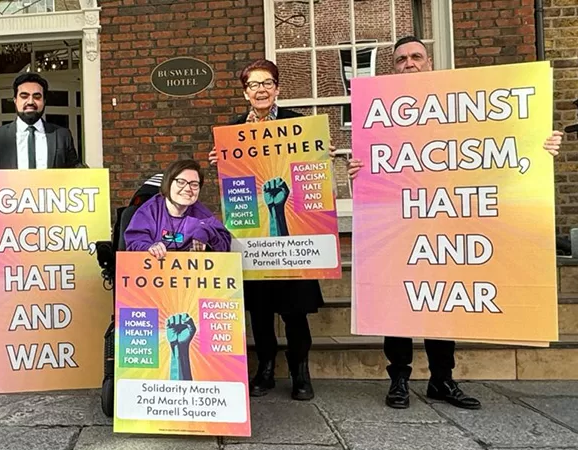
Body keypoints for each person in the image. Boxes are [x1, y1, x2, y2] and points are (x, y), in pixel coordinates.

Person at [347, 36, 564, 410]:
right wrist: (357, 172)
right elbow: (375, 171)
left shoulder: (456, 105)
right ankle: (398, 379)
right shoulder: (378, 114)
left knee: (442, 302)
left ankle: (441, 379)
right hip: (398, 223)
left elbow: (501, 144)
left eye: (416, 57)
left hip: (447, 218)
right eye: (401, 59)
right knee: (395, 300)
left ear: (429, 63)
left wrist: (539, 147)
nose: (409, 64)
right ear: (393, 67)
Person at [208, 59, 324, 401]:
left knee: (295, 310)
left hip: (292, 235)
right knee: (259, 310)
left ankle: (301, 371)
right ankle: (266, 369)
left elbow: (311, 177)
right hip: (252, 234)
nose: (261, 90)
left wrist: (321, 155)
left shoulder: (298, 125)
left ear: (277, 89)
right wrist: (221, 163)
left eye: (267, 83)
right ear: (245, 93)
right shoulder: (232, 132)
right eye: (254, 85)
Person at [124, 159, 232, 381]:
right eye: (181, 182)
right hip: (153, 292)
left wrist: (206, 233)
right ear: (168, 184)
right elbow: (133, 242)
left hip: (191, 291)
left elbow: (224, 243)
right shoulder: (150, 210)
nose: (187, 188)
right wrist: (149, 247)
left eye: (194, 184)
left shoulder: (200, 213)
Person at [0, 72, 81, 169]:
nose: (30, 102)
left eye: (37, 97)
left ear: (44, 101)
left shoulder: (62, 136)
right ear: (15, 100)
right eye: (24, 96)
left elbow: (76, 173)